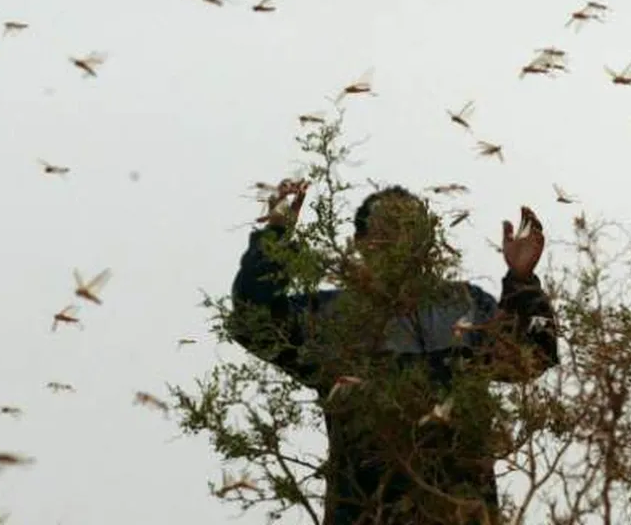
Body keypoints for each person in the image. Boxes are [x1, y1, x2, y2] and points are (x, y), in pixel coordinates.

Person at [227, 179, 560, 525]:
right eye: (385, 230)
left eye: (409, 230)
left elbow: (533, 356)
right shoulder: (333, 315)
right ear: (362, 243)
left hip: (457, 509)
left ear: (428, 242)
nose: (398, 241)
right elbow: (255, 321)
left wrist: (522, 280)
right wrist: (275, 237)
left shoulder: (466, 305)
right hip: (364, 510)